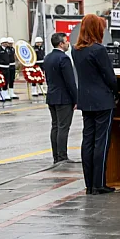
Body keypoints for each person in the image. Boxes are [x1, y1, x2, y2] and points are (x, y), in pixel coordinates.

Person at [73, 15, 119, 195]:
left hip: (86, 100)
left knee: (88, 141)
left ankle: (90, 184)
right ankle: (99, 183)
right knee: (102, 141)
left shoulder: (76, 50)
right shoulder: (98, 50)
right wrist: (116, 92)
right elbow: (109, 76)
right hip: (102, 101)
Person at [43, 32, 77, 165]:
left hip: (52, 96)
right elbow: (70, 82)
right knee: (63, 127)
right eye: (66, 41)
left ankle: (56, 156)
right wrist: (76, 99)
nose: (68, 43)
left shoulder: (48, 58)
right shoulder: (64, 59)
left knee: (55, 126)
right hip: (64, 98)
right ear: (61, 44)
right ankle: (62, 156)